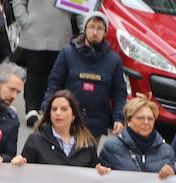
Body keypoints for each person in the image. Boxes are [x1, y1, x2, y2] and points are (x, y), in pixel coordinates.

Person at [13, 0, 75, 126]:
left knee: (53, 74)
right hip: (34, 35)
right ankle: (31, 108)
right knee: (35, 72)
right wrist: (26, 22)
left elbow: (79, 7)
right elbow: (18, 1)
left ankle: (46, 109)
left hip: (59, 36)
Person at [45, 11, 126, 140]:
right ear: (84, 29)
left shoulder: (114, 60)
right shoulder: (67, 53)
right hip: (67, 122)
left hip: (95, 126)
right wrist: (47, 110)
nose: (95, 32)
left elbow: (119, 93)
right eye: (92, 27)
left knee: (88, 159)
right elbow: (54, 84)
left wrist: (119, 118)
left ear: (105, 32)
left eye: (100, 28)